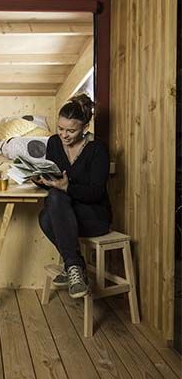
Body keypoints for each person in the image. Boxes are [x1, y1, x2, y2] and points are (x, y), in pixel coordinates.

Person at [35, 94, 110, 298]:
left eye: (71, 130)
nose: (64, 135)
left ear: (85, 128)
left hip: (94, 216)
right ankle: (75, 267)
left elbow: (97, 193)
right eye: (60, 128)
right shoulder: (53, 143)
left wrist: (67, 187)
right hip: (64, 215)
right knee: (47, 210)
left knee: (49, 211)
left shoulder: (97, 150)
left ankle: (73, 267)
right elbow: (53, 179)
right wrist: (40, 180)